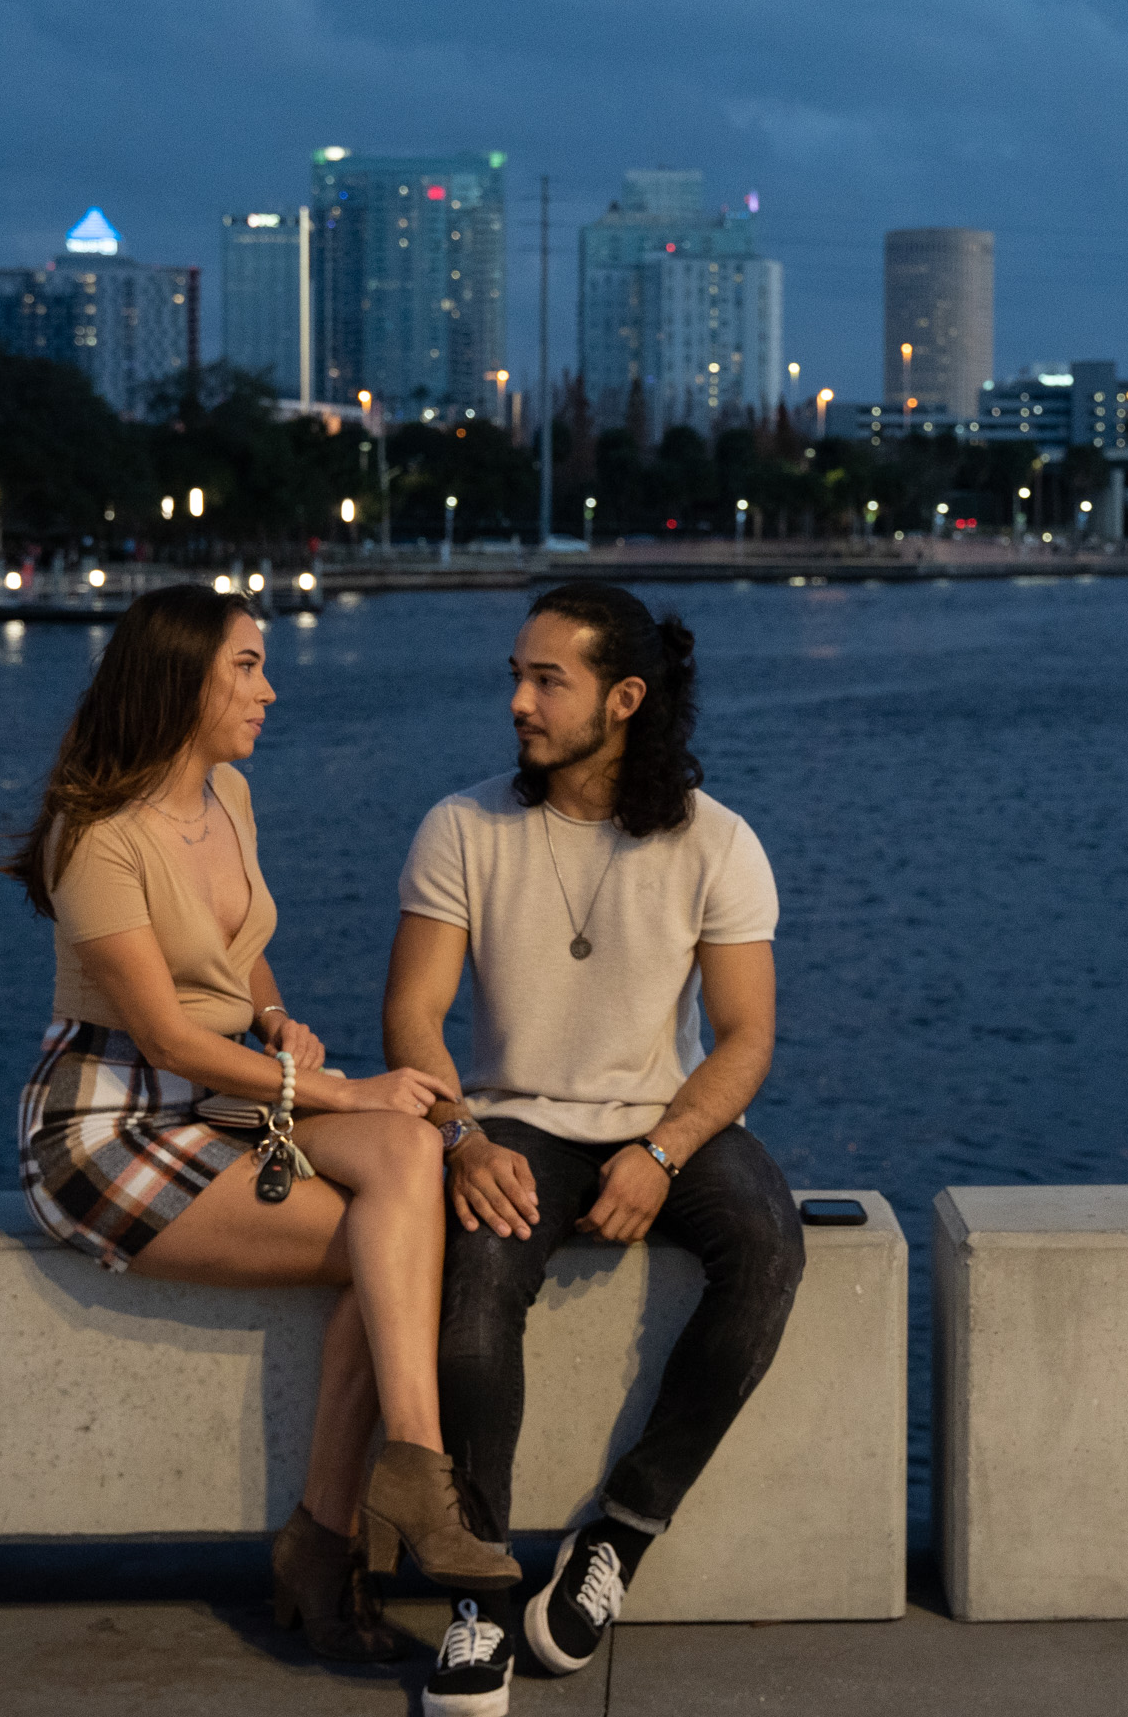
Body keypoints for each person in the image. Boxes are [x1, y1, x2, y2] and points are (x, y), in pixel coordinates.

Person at [2, 584, 519, 1663]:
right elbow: (168, 1034)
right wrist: (343, 1088)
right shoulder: (93, 836)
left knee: (410, 1152)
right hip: (113, 1119)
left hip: (236, 1090)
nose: (269, 690)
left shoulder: (228, 795)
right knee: (391, 1244)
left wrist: (276, 1014)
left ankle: (409, 1468)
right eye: (246, 666)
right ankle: (331, 1540)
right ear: (181, 680)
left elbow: (235, 960)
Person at [383, 582, 806, 1717]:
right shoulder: (463, 826)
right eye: (515, 676)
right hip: (512, 1119)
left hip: (662, 1120)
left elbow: (748, 1037)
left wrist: (663, 1151)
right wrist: (461, 1137)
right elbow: (413, 1020)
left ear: (624, 698)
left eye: (546, 679)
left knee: (768, 1242)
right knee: (473, 1294)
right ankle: (477, 1600)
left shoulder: (719, 842)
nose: (517, 700)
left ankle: (621, 1527)